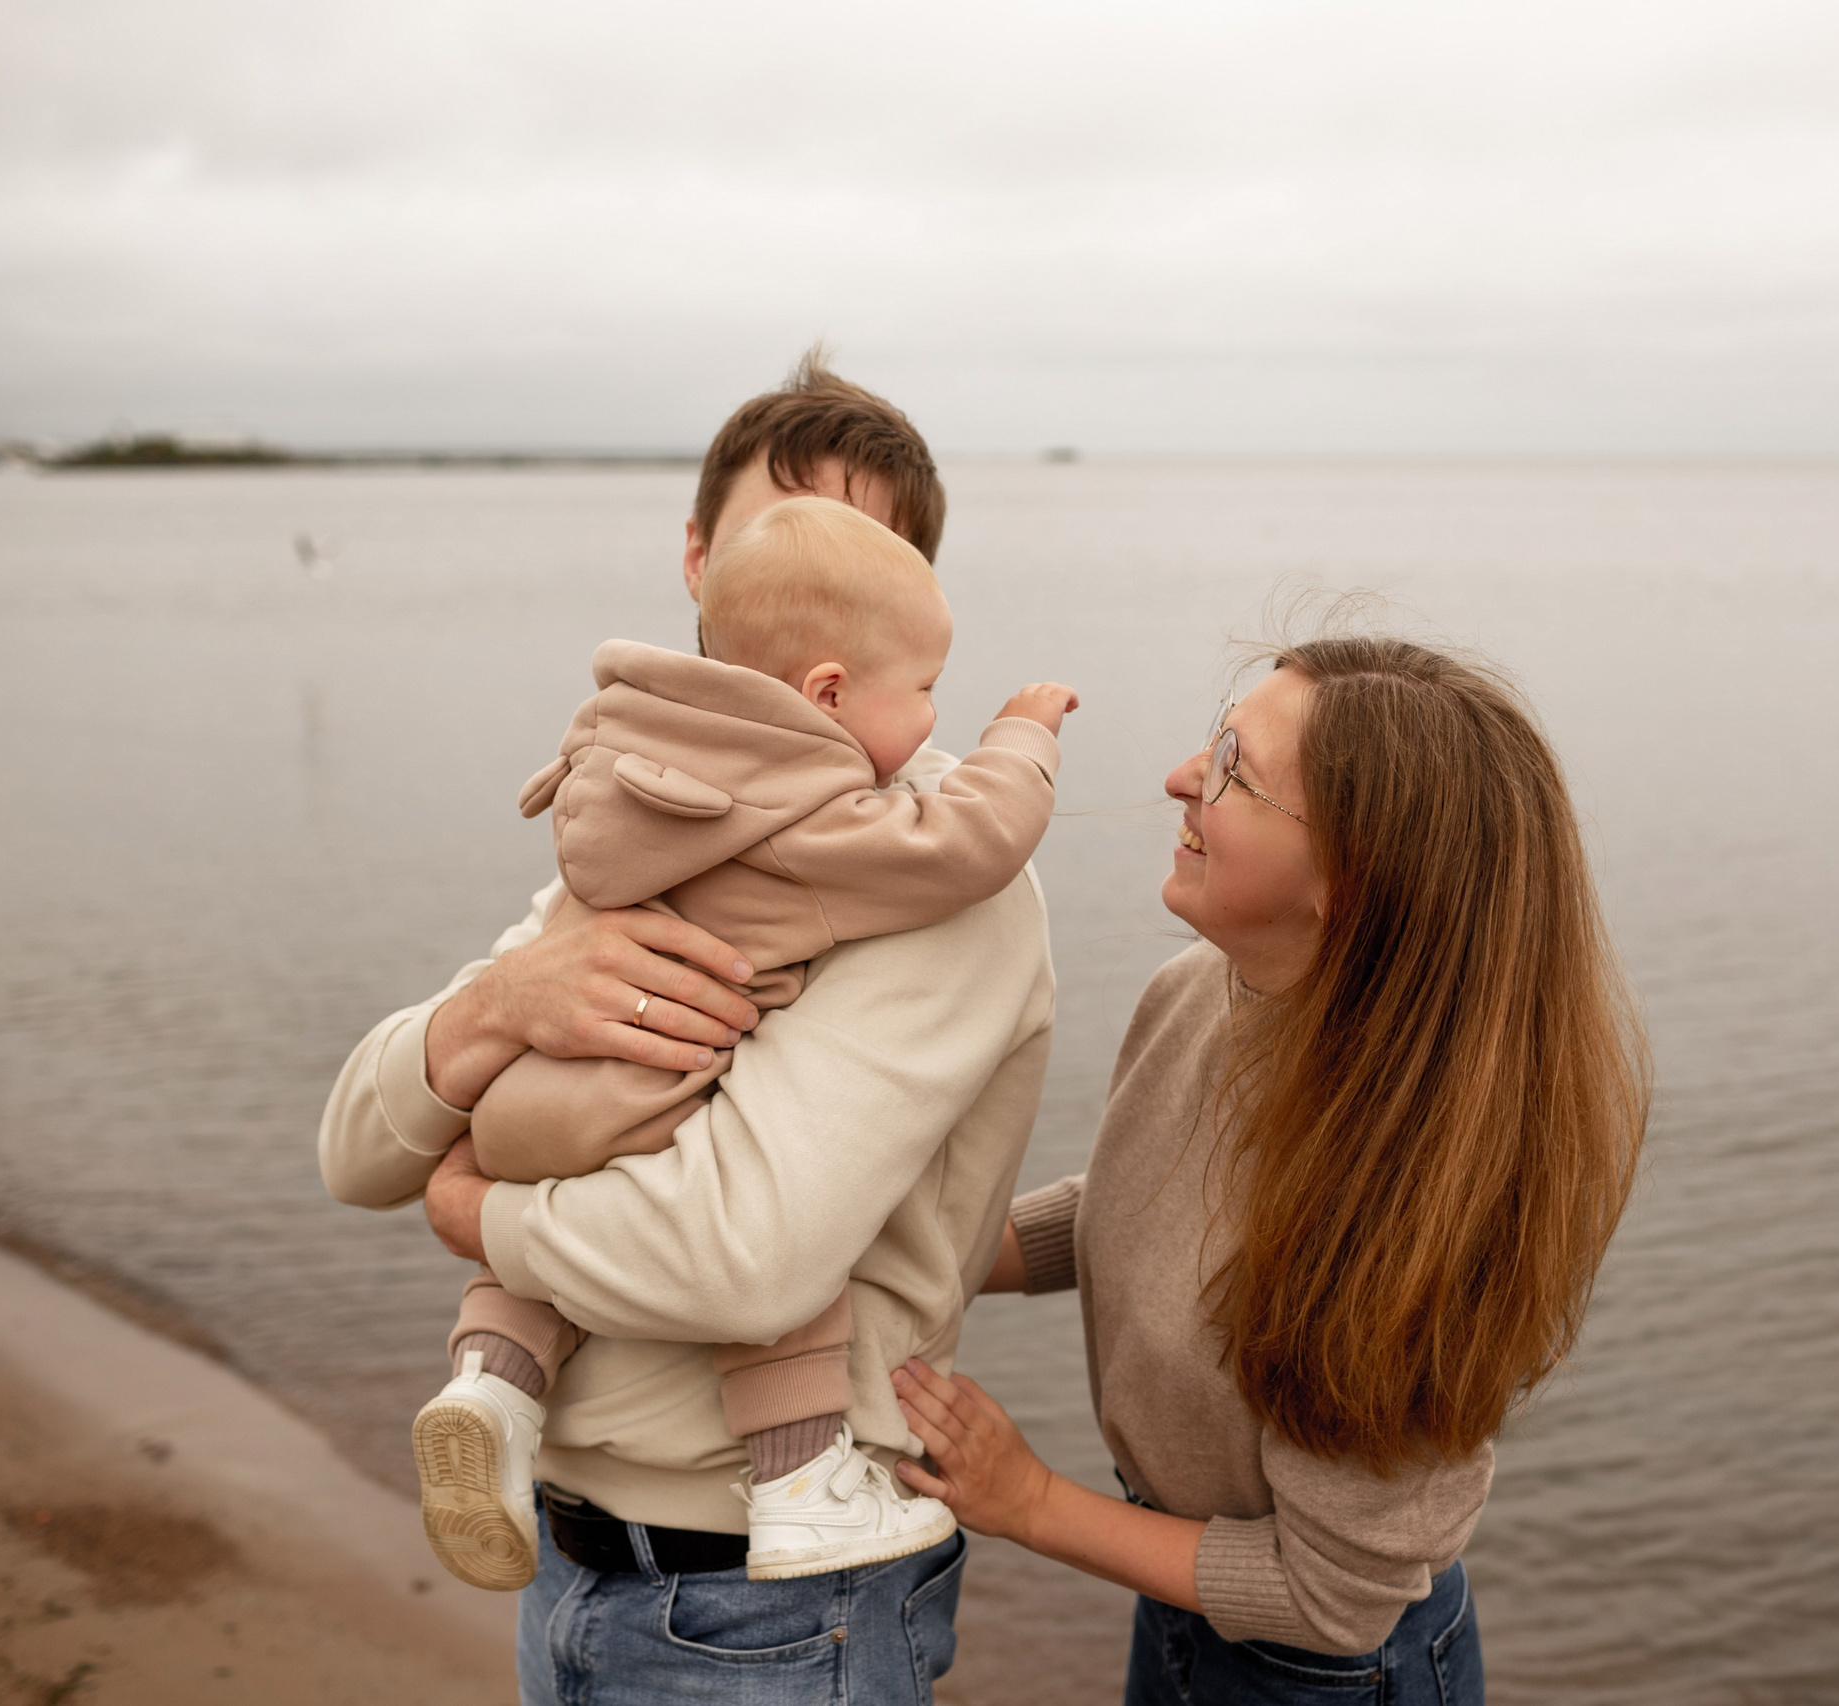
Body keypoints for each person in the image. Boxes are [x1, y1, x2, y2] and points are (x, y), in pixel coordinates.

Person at [321, 353, 1056, 1703]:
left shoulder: (940, 873)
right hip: (561, 1560)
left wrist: (483, 1213)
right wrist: (498, 1005)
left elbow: (740, 1263)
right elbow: (354, 1150)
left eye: (857, 549)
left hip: (776, 1599)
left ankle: (502, 1376)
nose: (810, 575)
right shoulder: (655, 811)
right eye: (779, 535)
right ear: (699, 562)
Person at [892, 634, 1650, 1705]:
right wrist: (913, 1244)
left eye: (1233, 770)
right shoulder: (1197, 990)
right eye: (1215, 740)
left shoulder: (1408, 1208)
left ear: (1346, 881)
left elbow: (1332, 1597)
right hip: (1180, 1594)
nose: (1179, 778)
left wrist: (1029, 1500)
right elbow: (1146, 1205)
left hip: (1326, 1673)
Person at [409, 494, 1078, 1591]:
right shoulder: (810, 813)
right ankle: (802, 1485)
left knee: (555, 1218)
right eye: (924, 688)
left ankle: (490, 1387)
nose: (933, 716)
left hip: (533, 1097)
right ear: (827, 693)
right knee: (798, 1240)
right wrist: (1023, 735)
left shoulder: (631, 752)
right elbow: (968, 841)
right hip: (653, 1091)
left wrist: (478, 1200)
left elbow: (378, 1148)